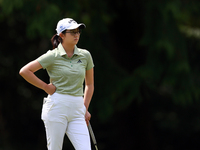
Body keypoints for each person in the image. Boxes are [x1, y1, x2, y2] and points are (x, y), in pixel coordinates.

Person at [19, 18, 94, 150]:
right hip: (57, 107)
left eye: (78, 31)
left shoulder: (85, 55)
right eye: (72, 32)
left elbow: (89, 85)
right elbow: (25, 71)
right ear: (62, 35)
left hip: (77, 108)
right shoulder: (52, 56)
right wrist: (45, 87)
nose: (77, 35)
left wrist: (85, 107)